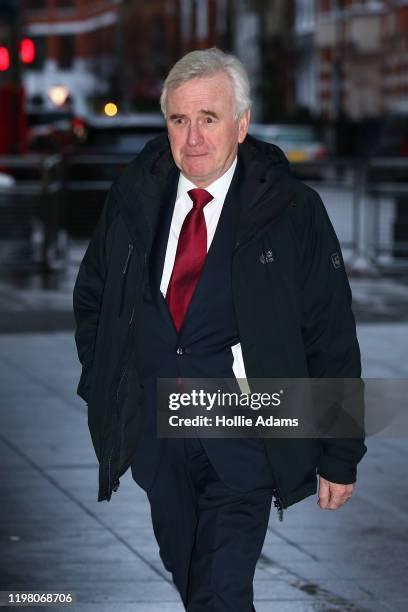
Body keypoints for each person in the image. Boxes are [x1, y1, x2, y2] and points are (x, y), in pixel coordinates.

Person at [73, 48, 366, 611]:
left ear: (242, 124)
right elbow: (94, 297)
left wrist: (339, 453)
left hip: (245, 434)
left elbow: (330, 332)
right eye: (180, 120)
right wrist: (109, 381)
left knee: (220, 592)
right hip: (160, 438)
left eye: (209, 118)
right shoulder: (134, 201)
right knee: (196, 585)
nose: (194, 137)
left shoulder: (291, 211)